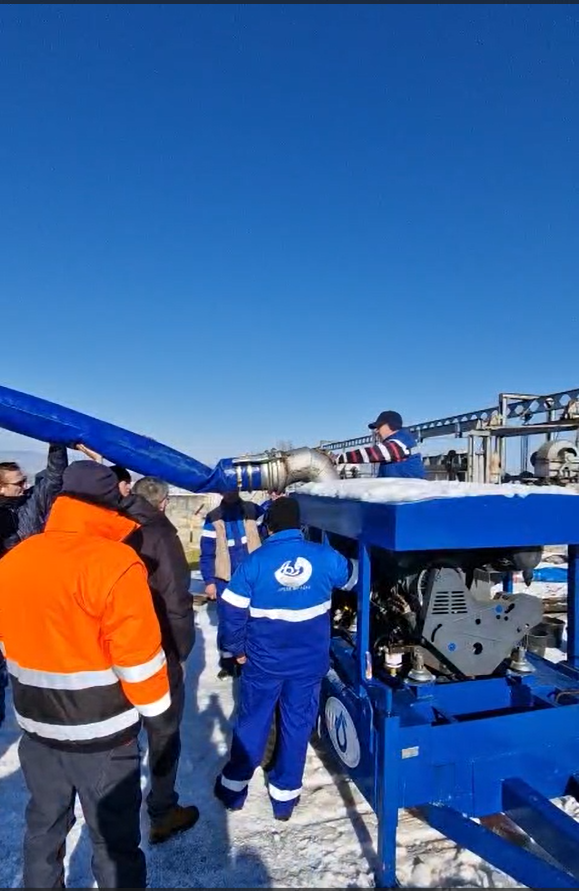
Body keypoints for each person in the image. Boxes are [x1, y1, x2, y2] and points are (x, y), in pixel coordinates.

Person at [0, 461, 176, 889]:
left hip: (37, 728)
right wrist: (159, 714)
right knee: (113, 842)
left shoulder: (16, 558)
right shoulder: (116, 563)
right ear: (110, 505)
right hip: (102, 734)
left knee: (43, 829)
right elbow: (137, 659)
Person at [214, 496, 357, 821]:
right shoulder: (325, 557)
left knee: (253, 723)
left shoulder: (253, 563)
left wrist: (236, 650)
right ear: (299, 525)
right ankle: (284, 799)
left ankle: (233, 790)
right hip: (308, 665)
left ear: (270, 527)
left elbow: (231, 614)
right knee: (297, 726)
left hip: (263, 664)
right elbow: (354, 577)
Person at [122, 476, 198, 845]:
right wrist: (182, 650)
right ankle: (163, 811)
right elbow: (176, 601)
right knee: (163, 731)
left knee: (121, 733)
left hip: (117, 646)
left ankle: (118, 808)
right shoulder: (161, 535)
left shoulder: (114, 527)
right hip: (155, 648)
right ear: (163, 502)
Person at [0, 443, 68, 728]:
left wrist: (57, 442)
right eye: (19, 483)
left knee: (34, 660)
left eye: (25, 480)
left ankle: (44, 715)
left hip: (31, 597)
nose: (25, 486)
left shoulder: (30, 504)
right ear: (1, 488)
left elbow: (53, 478)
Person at [200, 491, 265, 675]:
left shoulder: (253, 510)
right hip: (225, 580)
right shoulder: (213, 518)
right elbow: (207, 553)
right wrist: (209, 581)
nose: (230, 492)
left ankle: (249, 657)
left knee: (254, 618)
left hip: (253, 577)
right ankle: (228, 662)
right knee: (227, 621)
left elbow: (269, 529)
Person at [335, 410, 425, 478]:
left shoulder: (401, 442)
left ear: (389, 425)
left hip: (408, 495)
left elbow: (372, 454)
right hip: (397, 492)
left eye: (379, 427)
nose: (376, 431)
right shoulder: (397, 443)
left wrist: (338, 458)